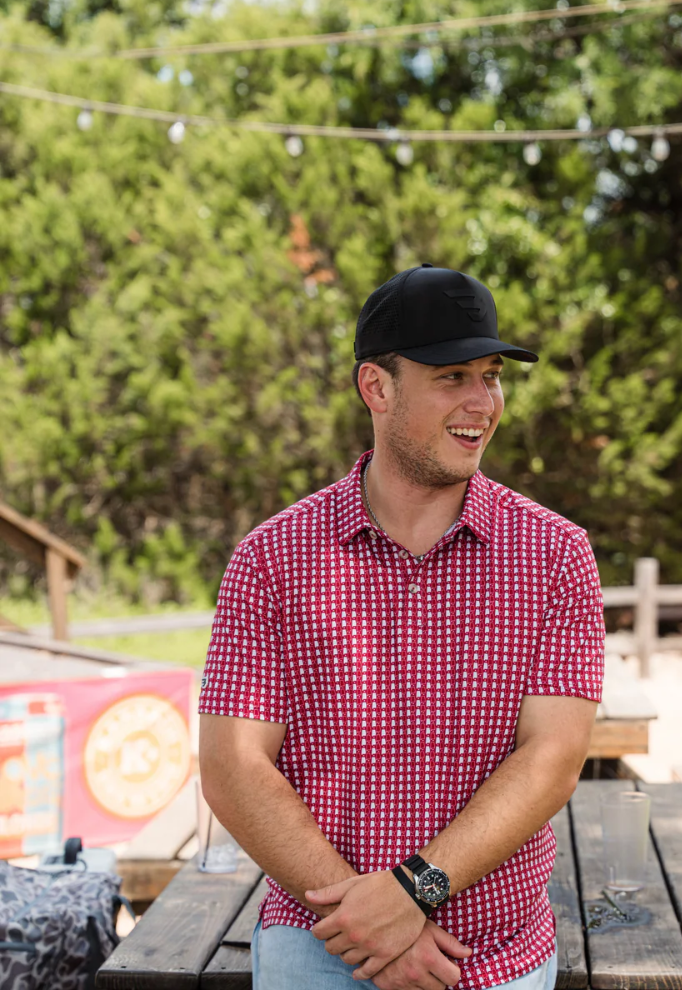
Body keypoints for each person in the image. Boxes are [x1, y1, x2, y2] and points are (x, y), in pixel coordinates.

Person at [198, 263, 605, 990]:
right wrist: (368, 925)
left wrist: (413, 888)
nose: (483, 401)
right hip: (319, 939)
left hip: (491, 952)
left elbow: (554, 755)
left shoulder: (555, 554)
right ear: (375, 388)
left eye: (491, 375)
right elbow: (232, 767)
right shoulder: (271, 559)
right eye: (452, 377)